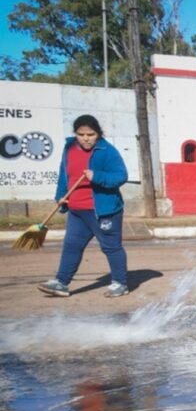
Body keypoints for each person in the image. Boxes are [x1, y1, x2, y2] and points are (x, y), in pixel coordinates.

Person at [37, 114, 130, 298]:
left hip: (103, 211)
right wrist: (60, 196)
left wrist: (96, 176)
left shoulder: (107, 151)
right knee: (71, 246)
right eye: (81, 134)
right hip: (76, 210)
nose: (86, 138)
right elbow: (64, 175)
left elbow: (120, 176)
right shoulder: (69, 148)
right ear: (76, 134)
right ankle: (61, 283)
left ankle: (120, 283)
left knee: (111, 247)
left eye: (91, 134)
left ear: (98, 134)